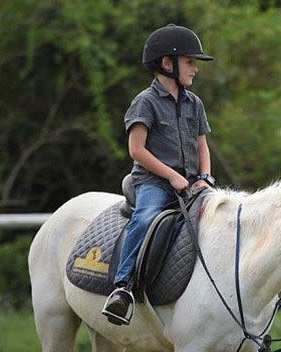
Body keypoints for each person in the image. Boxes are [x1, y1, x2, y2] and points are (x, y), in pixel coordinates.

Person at [102, 24, 216, 326]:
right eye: (190, 62)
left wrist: (205, 176)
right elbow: (136, 150)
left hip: (193, 184)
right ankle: (122, 288)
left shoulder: (195, 104)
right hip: (154, 183)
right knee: (145, 217)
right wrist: (172, 176)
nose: (195, 69)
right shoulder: (145, 102)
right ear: (168, 63)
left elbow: (202, 145)